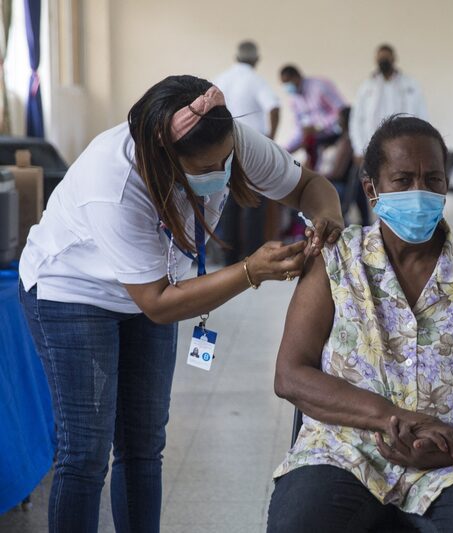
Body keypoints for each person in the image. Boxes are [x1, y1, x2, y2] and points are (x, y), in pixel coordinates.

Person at [18, 75, 343, 532]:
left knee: (144, 443)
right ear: (164, 158)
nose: (224, 169)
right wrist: (251, 270)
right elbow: (158, 303)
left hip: (156, 285)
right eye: (209, 166)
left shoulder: (224, 138)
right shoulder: (112, 181)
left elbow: (310, 185)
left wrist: (327, 220)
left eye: (227, 158)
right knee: (86, 451)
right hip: (74, 292)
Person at [267, 116, 453, 532]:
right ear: (372, 188)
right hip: (344, 450)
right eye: (403, 179)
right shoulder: (338, 259)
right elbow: (291, 375)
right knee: (300, 523)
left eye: (433, 179)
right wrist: (396, 418)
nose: (420, 192)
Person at [214, 40, 284, 264]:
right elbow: (273, 106)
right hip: (251, 149)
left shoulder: (220, 79)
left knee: (227, 205)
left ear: (236, 57)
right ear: (256, 59)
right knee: (254, 204)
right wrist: (270, 138)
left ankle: (229, 259)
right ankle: (253, 258)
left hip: (223, 149)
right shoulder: (255, 80)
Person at [349, 44, 428, 164]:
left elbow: (422, 114)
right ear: (375, 60)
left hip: (405, 143)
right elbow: (356, 120)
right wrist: (358, 149)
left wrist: (421, 144)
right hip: (373, 144)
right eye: (381, 58)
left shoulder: (410, 84)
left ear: (394, 58)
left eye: (386, 57)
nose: (384, 61)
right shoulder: (366, 86)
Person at [279, 64, 346, 170]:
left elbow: (342, 111)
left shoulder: (319, 86)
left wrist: (319, 126)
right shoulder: (294, 99)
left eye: (288, 82)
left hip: (335, 134)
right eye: (284, 84)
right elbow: (299, 129)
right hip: (314, 140)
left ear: (297, 76)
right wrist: (283, 150)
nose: (287, 87)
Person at [317, 106, 370, 225]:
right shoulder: (339, 139)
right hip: (335, 183)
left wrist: (315, 176)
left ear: (345, 120)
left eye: (339, 118)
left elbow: (337, 173)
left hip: (338, 186)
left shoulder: (348, 142)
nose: (337, 120)